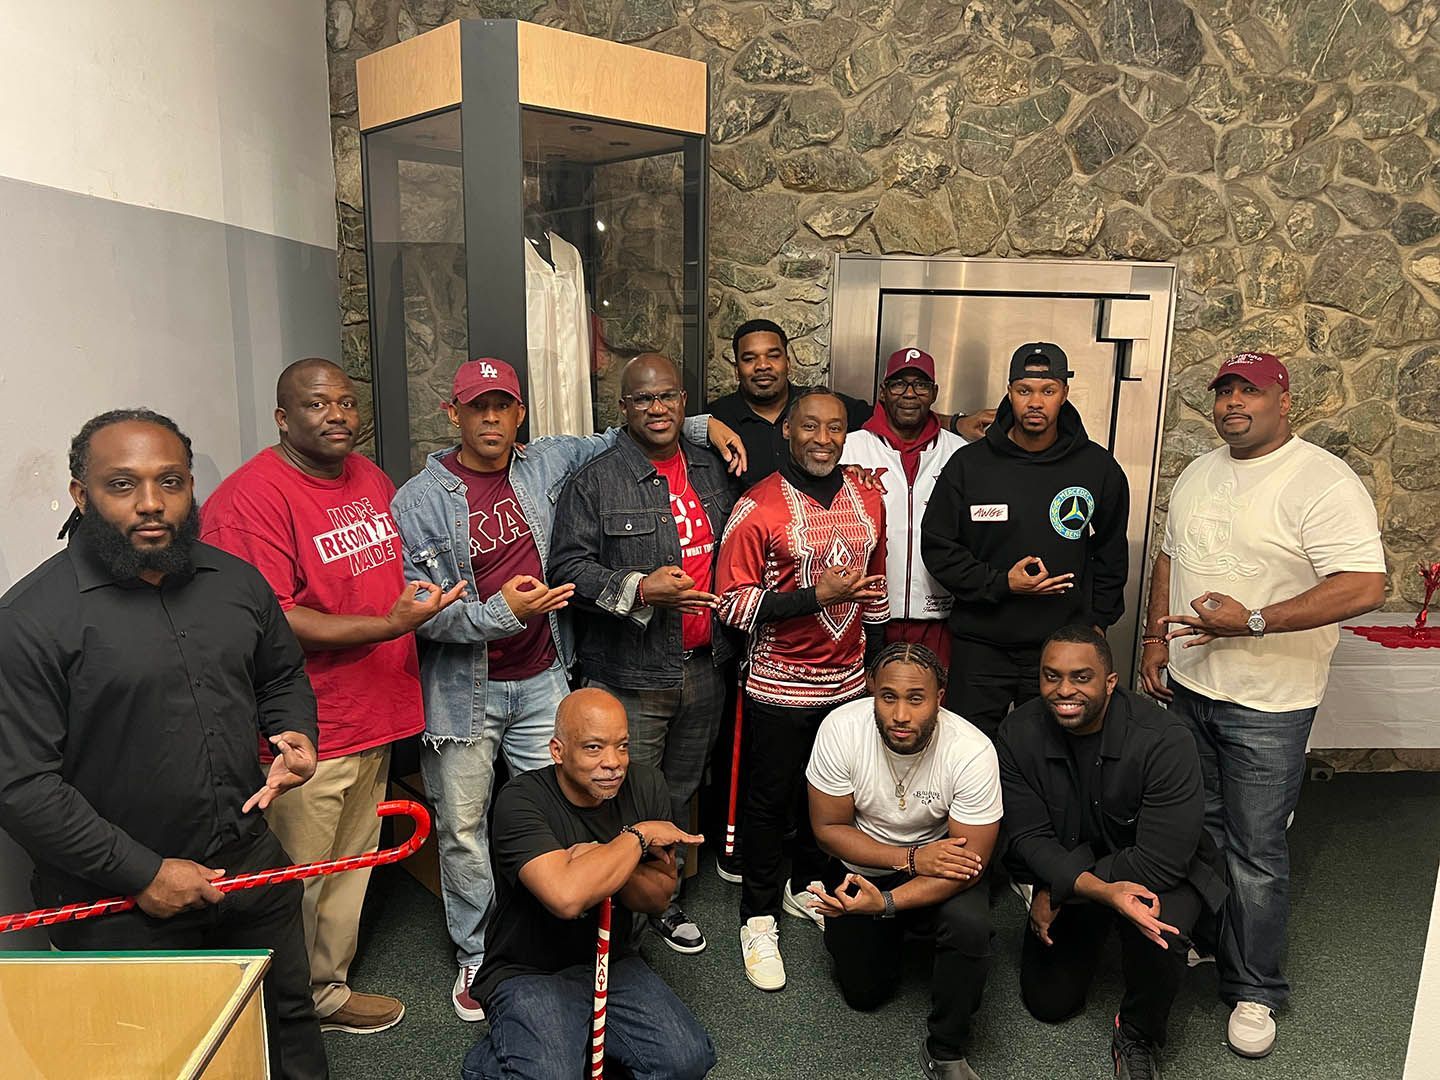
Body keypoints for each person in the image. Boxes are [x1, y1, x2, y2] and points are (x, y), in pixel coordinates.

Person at [391, 357, 739, 1017]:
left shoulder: (547, 462)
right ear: (453, 413)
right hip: (464, 690)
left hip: (546, 676)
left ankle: (552, 938)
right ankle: (478, 953)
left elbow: (630, 426)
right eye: (477, 407)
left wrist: (703, 422)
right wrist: (501, 614)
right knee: (463, 829)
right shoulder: (416, 501)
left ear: (519, 413)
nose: (490, 419)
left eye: (502, 406)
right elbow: (416, 615)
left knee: (562, 814)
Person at [0, 410, 328, 1079]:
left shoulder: (237, 582)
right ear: (82, 494)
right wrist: (143, 873)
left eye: (170, 481)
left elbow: (282, 675)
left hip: (250, 868)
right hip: (116, 902)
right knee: (154, 1058)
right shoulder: (29, 620)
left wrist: (293, 732)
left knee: (285, 1023)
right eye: (122, 484)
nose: (151, 503)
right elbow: (21, 786)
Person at [201, 358, 464, 1035]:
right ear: (283, 417)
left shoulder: (368, 477)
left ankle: (323, 993)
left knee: (349, 869)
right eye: (318, 404)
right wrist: (389, 625)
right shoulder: (250, 500)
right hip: (307, 732)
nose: (338, 415)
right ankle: (275, 1016)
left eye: (346, 402)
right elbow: (271, 617)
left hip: (373, 714)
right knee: (296, 880)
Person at [1140, 352, 1385, 1059]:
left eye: (1250, 391)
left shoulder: (1320, 480)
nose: (1233, 403)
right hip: (1191, 687)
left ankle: (1255, 987)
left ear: (1284, 401)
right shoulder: (1197, 472)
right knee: (1201, 829)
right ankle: (1213, 939)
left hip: (1269, 704)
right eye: (1224, 392)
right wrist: (1154, 639)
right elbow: (1169, 558)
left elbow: (1364, 584)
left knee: (1257, 850)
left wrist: (1253, 621)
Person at [549, 354, 739, 955]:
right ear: (623, 408)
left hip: (705, 665)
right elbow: (567, 569)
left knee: (679, 791)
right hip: (631, 672)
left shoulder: (710, 467)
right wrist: (637, 588)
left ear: (684, 401)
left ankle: (663, 896)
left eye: (667, 396)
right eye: (642, 399)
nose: (657, 409)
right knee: (622, 794)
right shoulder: (596, 480)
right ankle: (618, 919)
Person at [714, 386, 889, 991]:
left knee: (833, 800)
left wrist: (877, 668)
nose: (823, 439)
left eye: (834, 428)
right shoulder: (756, 506)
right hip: (779, 686)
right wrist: (816, 596)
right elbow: (731, 606)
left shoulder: (868, 497)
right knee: (769, 804)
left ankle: (805, 885)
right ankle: (757, 918)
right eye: (810, 426)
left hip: (849, 685)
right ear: (787, 430)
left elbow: (875, 589)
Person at [999, 626, 1227, 1080]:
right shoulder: (1017, 732)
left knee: (1160, 932)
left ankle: (1137, 1034)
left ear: (1110, 681)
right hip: (1076, 872)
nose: (1064, 690)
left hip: (1156, 872)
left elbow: (1161, 860)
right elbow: (1027, 837)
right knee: (1049, 1002)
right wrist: (1074, 885)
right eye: (1051, 676)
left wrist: (1062, 888)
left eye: (1081, 677)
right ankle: (1098, 925)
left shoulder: (1164, 738)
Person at [460, 688, 716, 1080]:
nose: (613, 763)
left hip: (612, 958)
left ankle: (555, 1040)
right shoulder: (520, 800)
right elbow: (566, 898)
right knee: (552, 1075)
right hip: (529, 968)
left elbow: (656, 898)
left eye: (622, 746)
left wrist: (594, 860)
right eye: (594, 748)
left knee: (687, 1060)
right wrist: (638, 837)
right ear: (558, 751)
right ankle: (492, 1063)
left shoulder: (646, 784)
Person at [806, 643, 1001, 1080]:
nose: (900, 715)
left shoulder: (971, 750)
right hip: (867, 866)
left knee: (970, 927)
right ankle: (893, 934)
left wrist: (889, 903)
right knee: (863, 994)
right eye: (888, 697)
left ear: (940, 698)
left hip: (943, 869)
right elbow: (828, 830)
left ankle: (946, 1049)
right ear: (871, 689)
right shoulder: (841, 729)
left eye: (916, 699)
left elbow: (969, 862)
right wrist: (910, 859)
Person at [920, 342, 1130, 740]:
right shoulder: (970, 464)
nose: (1035, 402)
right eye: (1024, 390)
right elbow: (938, 547)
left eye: (1047, 390)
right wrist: (1002, 583)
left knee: (1054, 753)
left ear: (1064, 393)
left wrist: (1098, 621)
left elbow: (1111, 552)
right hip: (981, 646)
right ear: (1010, 392)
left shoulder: (1097, 467)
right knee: (970, 751)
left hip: (1061, 648)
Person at [710, 319, 991, 489]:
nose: (762, 366)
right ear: (736, 369)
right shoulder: (719, 416)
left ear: (788, 362)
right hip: (747, 543)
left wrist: (955, 423)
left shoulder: (822, 407)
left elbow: (896, 413)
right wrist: (706, 425)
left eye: (773, 356)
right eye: (750, 358)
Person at [842, 347, 972, 669]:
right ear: (883, 392)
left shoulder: (961, 454)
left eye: (921, 385)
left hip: (939, 616)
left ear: (934, 393)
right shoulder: (849, 448)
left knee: (934, 697)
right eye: (899, 384)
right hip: (865, 615)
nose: (910, 394)